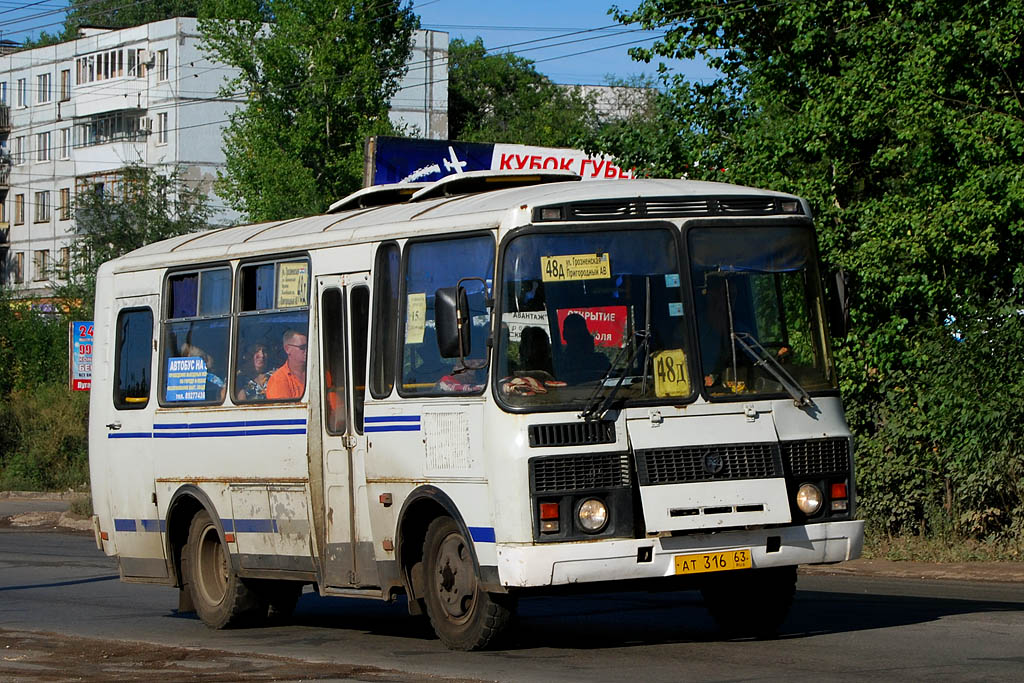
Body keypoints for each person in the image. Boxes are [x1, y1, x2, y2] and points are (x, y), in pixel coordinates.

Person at [559, 313, 610, 384]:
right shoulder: (561, 364)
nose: (578, 342)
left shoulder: (600, 361)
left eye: (580, 336)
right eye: (575, 337)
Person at [266, 329, 307, 400]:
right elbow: (282, 410)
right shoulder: (279, 379)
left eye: (308, 346)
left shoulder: (319, 372)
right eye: (302, 347)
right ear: (287, 349)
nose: (307, 350)